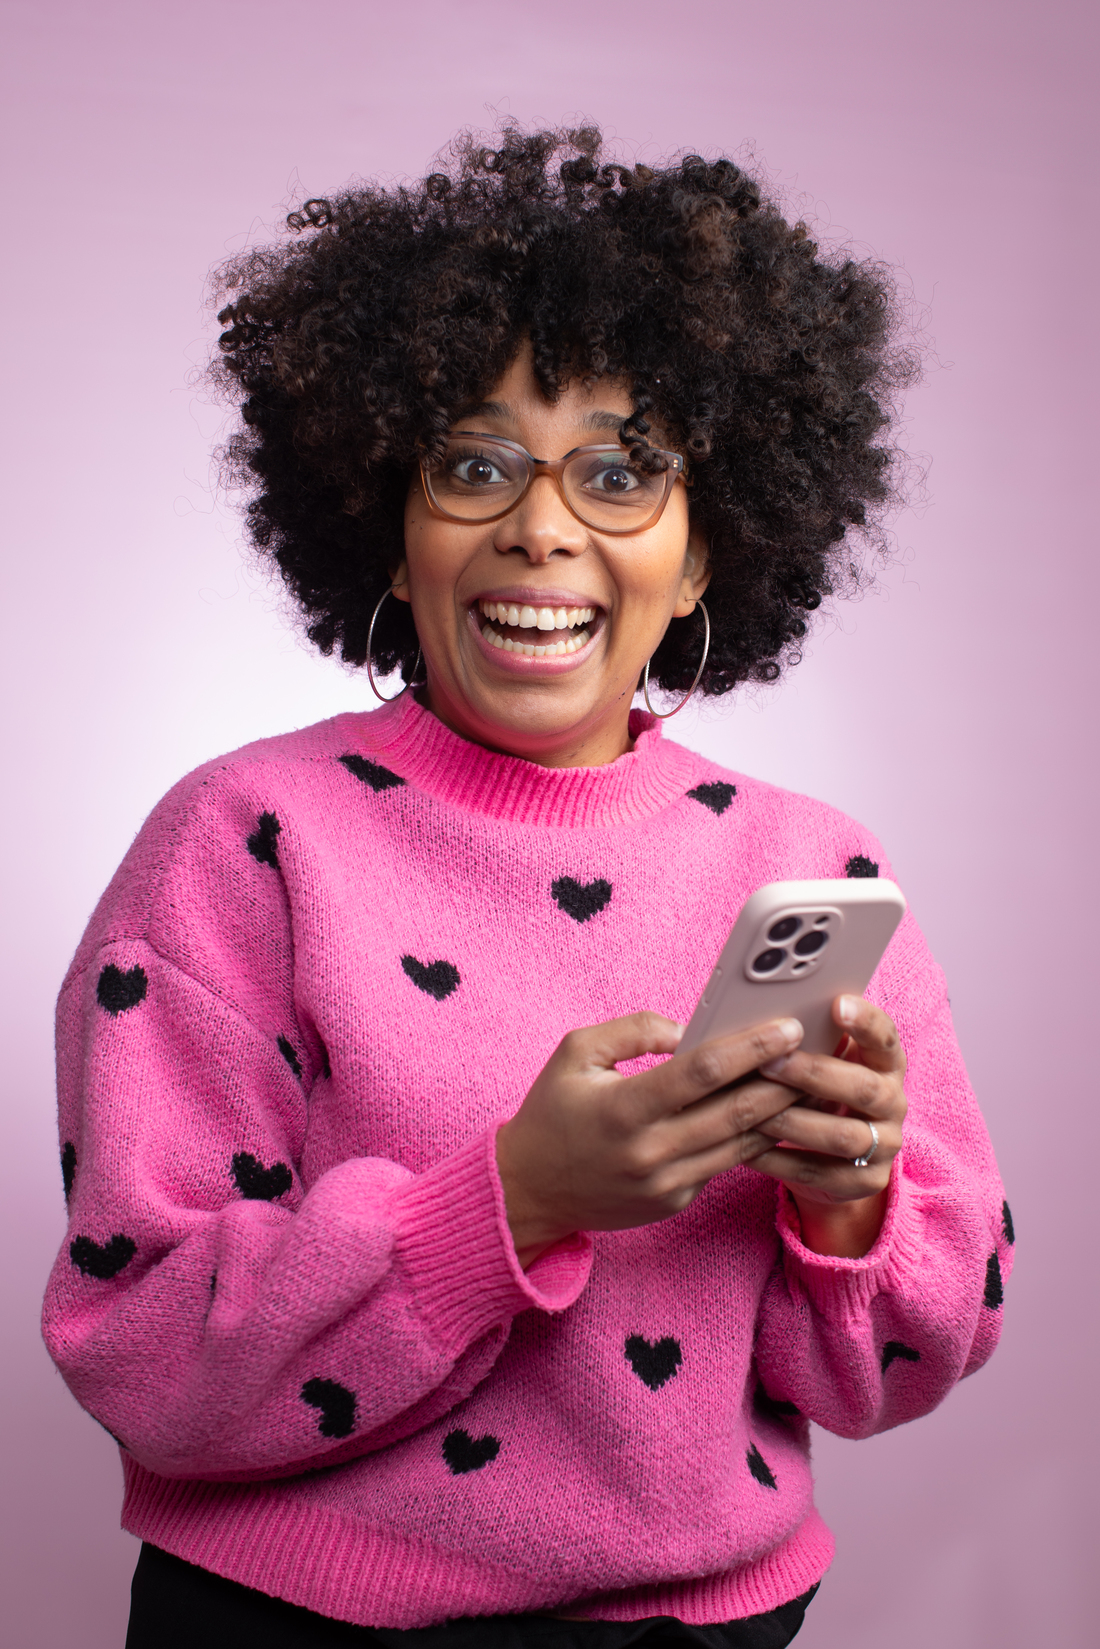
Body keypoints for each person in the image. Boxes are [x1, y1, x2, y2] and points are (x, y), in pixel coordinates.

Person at [42, 126, 1012, 1648]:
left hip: (712, 1627)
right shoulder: (241, 840)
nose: (543, 523)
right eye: (475, 463)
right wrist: (516, 1200)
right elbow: (139, 1344)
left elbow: (895, 1374)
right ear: (392, 530)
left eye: (621, 473)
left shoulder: (815, 872)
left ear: (704, 555)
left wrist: (847, 1208)